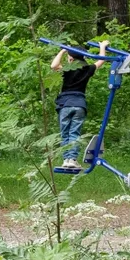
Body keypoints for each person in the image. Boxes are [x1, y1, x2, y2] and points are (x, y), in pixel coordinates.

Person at [50, 41, 107, 170]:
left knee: (65, 133)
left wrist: (63, 50)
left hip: (64, 104)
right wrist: (102, 47)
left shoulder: (67, 69)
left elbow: (53, 66)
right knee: (74, 133)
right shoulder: (87, 69)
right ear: (83, 57)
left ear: (70, 58)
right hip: (79, 104)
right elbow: (101, 61)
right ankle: (72, 159)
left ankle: (66, 159)